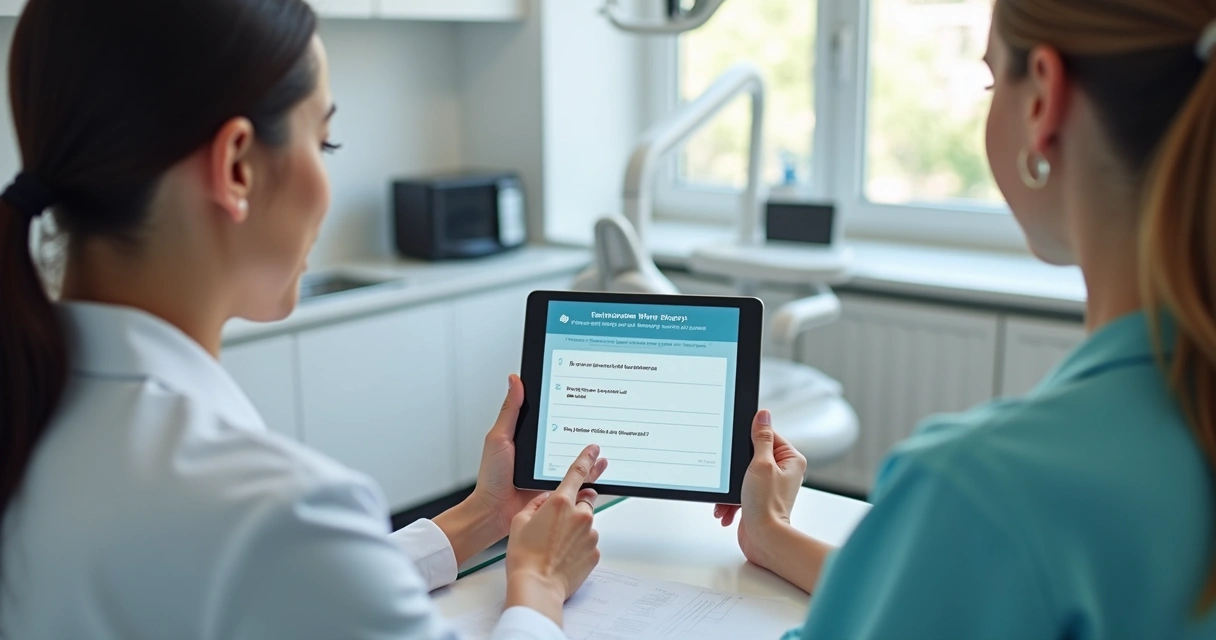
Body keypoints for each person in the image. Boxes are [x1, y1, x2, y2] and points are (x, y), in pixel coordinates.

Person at [0, 1, 607, 638]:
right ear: (237, 167)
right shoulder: (269, 510)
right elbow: (281, 562)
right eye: (324, 141)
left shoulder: (36, 418)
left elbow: (291, 587)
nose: (327, 180)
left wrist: (479, 519)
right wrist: (538, 583)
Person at [719, 0, 1216, 637]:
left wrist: (541, 597)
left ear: (1042, 97)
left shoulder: (987, 491)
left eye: (989, 81)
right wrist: (773, 538)